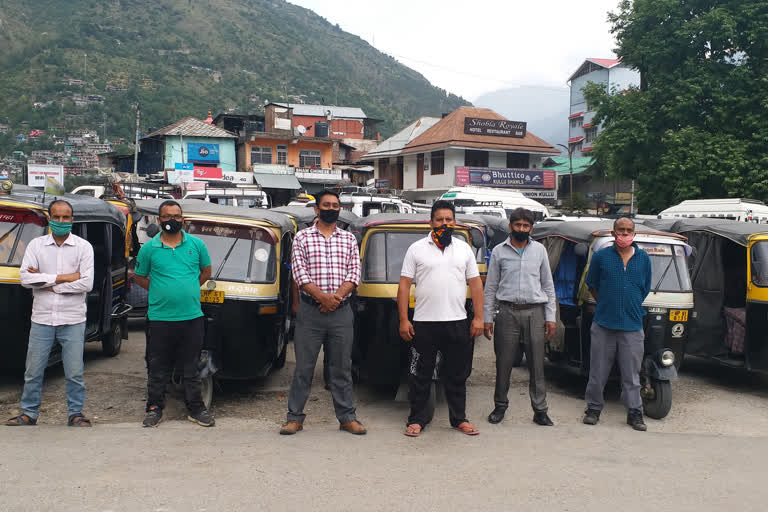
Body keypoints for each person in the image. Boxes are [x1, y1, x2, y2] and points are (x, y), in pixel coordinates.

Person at [281, 190, 365, 435]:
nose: (331, 208)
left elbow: (353, 274)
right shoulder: (302, 238)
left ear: (340, 209)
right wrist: (323, 298)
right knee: (303, 368)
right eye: (326, 204)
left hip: (341, 313)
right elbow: (299, 274)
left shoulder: (349, 239)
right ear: (316, 209)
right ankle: (294, 417)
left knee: (341, 367)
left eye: (335, 205)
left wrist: (335, 299)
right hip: (310, 312)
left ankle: (347, 417)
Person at [398, 200, 484, 437]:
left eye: (449, 220)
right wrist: (404, 320)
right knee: (420, 375)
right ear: (431, 222)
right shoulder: (416, 248)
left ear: (454, 222)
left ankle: (459, 420)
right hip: (424, 323)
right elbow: (404, 286)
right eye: (440, 220)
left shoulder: (464, 248)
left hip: (457, 321)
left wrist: (478, 317)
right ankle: (416, 419)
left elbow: (475, 285)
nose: (444, 224)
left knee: (457, 374)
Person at [6, 200, 94, 427]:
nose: (61, 221)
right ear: (50, 219)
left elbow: (86, 283)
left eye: (66, 217)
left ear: (72, 220)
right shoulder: (36, 245)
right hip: (42, 318)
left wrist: (45, 280)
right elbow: (25, 279)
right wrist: (63, 277)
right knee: (33, 370)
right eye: (57, 217)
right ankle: (29, 413)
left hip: (73, 319)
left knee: (74, 372)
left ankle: (75, 413)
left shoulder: (84, 247)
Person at [133, 200, 214, 428]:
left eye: (177, 216)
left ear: (183, 219)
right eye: (167, 216)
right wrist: (161, 290)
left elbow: (206, 272)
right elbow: (139, 277)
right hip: (160, 319)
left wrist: (187, 287)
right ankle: (154, 408)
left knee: (192, 367)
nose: (172, 220)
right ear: (159, 220)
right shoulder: (149, 249)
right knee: (157, 366)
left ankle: (196, 409)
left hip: (191, 318)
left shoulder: (196, 245)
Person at [483, 208, 557, 426]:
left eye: (526, 226)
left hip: (535, 312)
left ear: (531, 228)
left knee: (536, 365)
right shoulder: (498, 251)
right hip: (507, 312)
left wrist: (550, 317)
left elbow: (548, 286)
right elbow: (491, 287)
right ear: (510, 226)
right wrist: (488, 317)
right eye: (518, 225)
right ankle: (499, 406)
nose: (521, 229)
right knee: (503, 363)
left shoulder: (540, 251)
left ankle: (540, 410)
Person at [583, 217, 652, 431]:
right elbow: (592, 284)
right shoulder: (601, 257)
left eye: (628, 230)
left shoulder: (643, 258)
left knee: (632, 375)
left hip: (632, 326)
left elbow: (644, 288)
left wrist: (628, 304)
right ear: (613, 233)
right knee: (598, 371)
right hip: (604, 324)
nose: (624, 234)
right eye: (620, 230)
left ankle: (635, 413)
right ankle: (593, 409)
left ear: (634, 233)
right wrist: (607, 302)